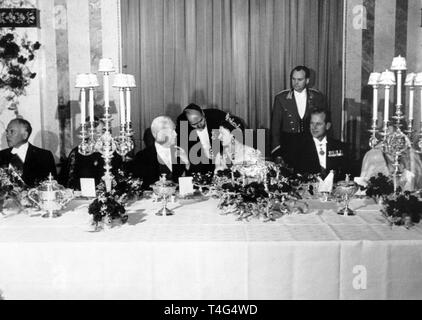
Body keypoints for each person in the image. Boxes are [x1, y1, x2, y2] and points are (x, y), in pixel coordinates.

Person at [270, 65, 326, 167]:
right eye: (293, 79)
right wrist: (277, 152)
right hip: (289, 143)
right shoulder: (281, 98)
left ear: (307, 80)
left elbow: (323, 123)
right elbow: (275, 128)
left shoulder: (317, 97)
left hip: (310, 142)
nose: (296, 82)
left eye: (300, 79)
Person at [60, 117, 123, 190]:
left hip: (108, 196)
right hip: (83, 197)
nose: (99, 135)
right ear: (87, 133)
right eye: (95, 131)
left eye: (102, 131)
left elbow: (120, 178)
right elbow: (68, 181)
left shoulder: (113, 152)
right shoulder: (78, 152)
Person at [132, 116, 190, 189]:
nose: (176, 134)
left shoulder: (180, 151)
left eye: (175, 130)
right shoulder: (143, 156)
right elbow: (141, 187)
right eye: (172, 131)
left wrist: (187, 164)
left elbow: (191, 184)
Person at [360, 126, 422, 191]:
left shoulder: (411, 155)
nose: (394, 142)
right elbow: (364, 186)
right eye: (390, 137)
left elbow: (416, 185)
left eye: (396, 138)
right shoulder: (373, 155)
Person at [295, 108, 348, 181]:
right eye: (312, 123)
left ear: (327, 126)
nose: (314, 127)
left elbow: (345, 173)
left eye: (318, 124)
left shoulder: (339, 146)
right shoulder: (300, 147)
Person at [0, 118, 57, 187]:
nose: (7, 135)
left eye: (12, 131)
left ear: (25, 135)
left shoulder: (43, 156)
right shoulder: (1, 155)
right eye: (7, 131)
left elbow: (52, 185)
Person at [176, 103, 227, 175]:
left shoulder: (217, 116)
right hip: (200, 164)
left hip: (221, 160)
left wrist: (221, 153)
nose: (199, 125)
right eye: (194, 124)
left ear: (203, 113)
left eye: (201, 121)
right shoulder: (183, 127)